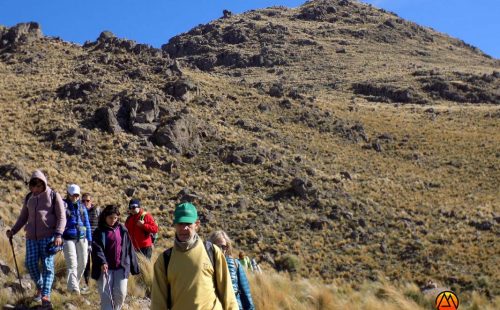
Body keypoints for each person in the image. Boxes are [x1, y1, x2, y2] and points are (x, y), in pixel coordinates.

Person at [151, 202, 238, 310]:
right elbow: (158, 303)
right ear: (175, 225)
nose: (184, 228)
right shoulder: (164, 260)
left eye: (188, 224)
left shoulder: (212, 252)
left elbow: (228, 294)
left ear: (196, 224)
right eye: (180, 224)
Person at [6, 170, 66, 306]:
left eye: (39, 185)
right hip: (31, 237)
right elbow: (23, 217)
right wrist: (13, 231)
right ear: (30, 186)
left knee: (47, 266)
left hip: (49, 237)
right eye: (34, 185)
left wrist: (58, 234)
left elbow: (62, 217)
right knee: (30, 263)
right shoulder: (29, 198)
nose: (36, 188)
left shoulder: (54, 196)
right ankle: (40, 286)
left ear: (44, 184)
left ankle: (45, 295)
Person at [92, 204, 139, 310]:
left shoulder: (122, 229)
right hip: (104, 269)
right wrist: (103, 262)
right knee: (106, 297)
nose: (113, 220)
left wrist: (134, 267)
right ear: (105, 217)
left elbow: (129, 248)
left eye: (115, 218)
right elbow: (97, 249)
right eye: (110, 218)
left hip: (121, 267)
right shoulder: (99, 231)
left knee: (121, 294)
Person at [209, 231, 255, 310]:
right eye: (217, 246)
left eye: (223, 247)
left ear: (227, 247)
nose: (220, 250)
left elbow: (246, 294)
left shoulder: (235, 264)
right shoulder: (205, 266)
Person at [62, 184, 92, 294]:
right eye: (73, 195)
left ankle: (74, 284)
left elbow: (87, 224)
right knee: (72, 263)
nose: (75, 197)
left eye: (77, 195)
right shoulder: (63, 205)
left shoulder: (82, 207)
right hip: (68, 238)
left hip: (82, 238)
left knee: (83, 262)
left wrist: (89, 242)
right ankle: (74, 289)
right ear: (68, 194)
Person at [82, 193, 100, 290]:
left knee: (96, 261)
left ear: (91, 201)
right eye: (83, 200)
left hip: (95, 240)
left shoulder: (97, 211)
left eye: (87, 200)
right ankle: (87, 282)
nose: (85, 202)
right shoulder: (79, 211)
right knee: (86, 261)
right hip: (83, 241)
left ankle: (97, 281)